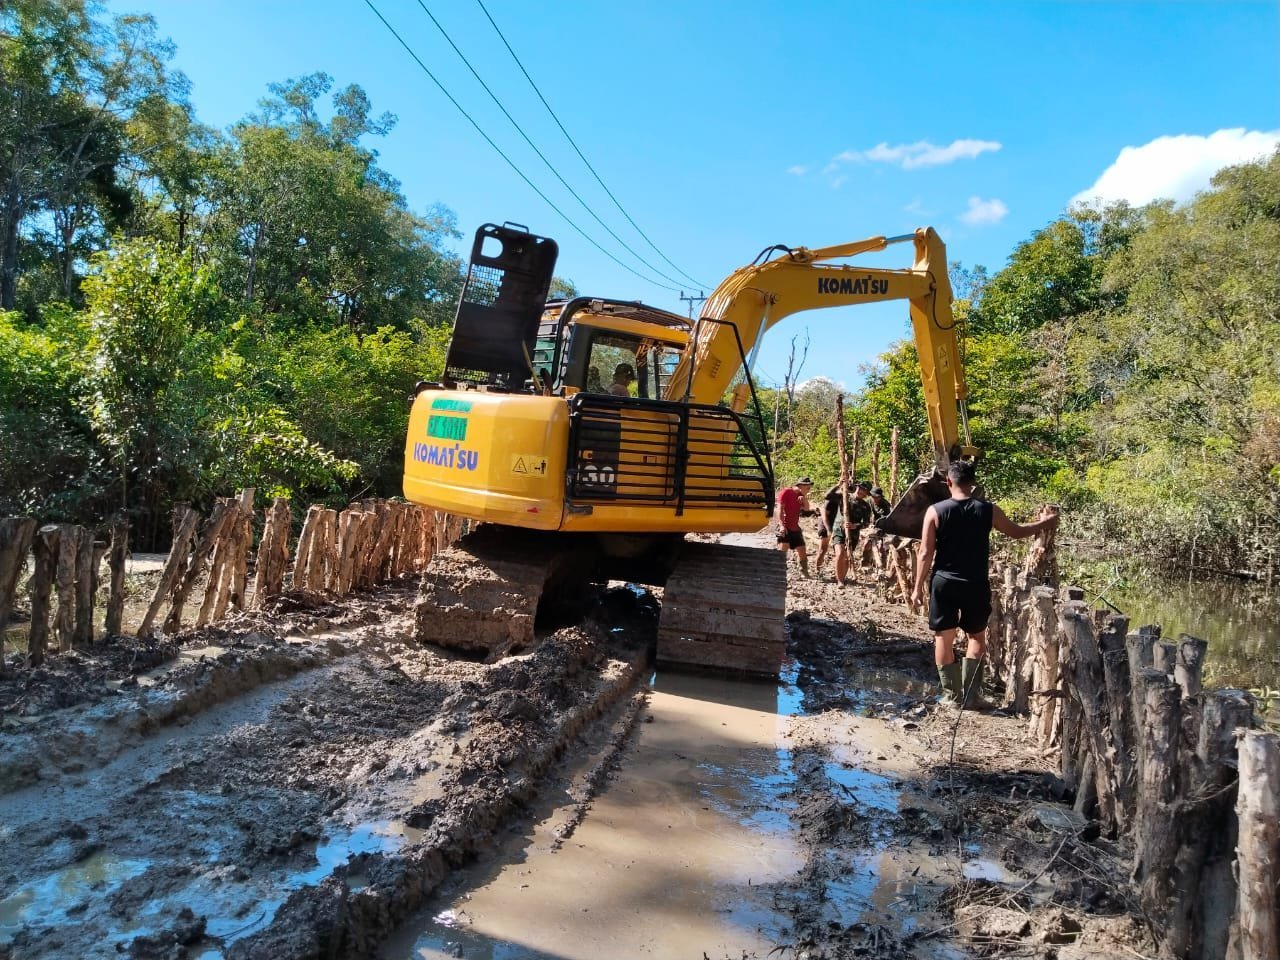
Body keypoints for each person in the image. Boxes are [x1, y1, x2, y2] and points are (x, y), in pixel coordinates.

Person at [910, 460, 1059, 709]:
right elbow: (1016, 532)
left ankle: (951, 697)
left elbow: (925, 553)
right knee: (976, 637)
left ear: (949, 482)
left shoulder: (935, 511)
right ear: (974, 484)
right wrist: (1045, 523)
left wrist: (916, 588)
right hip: (975, 583)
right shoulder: (989, 510)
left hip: (943, 582)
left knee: (943, 639)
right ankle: (971, 697)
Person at [831, 481, 873, 586]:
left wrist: (855, 526)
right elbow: (829, 497)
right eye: (861, 489)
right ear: (857, 487)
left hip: (853, 534)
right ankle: (839, 580)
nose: (861, 492)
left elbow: (866, 523)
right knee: (840, 553)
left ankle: (842, 577)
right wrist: (840, 485)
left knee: (846, 556)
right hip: (839, 529)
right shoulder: (844, 496)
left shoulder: (865, 506)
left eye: (864, 491)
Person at [776, 477, 814, 578]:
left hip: (795, 527)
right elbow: (779, 510)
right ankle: (778, 571)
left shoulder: (800, 496)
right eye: (808, 487)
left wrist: (804, 498)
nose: (809, 490)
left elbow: (806, 508)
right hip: (785, 526)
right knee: (783, 550)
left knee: (802, 550)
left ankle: (804, 571)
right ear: (801, 486)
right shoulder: (786, 492)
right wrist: (781, 525)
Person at [812, 481, 845, 573]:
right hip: (826, 524)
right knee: (823, 549)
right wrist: (828, 529)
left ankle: (837, 572)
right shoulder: (833, 497)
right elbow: (824, 515)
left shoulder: (843, 498)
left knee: (837, 549)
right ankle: (817, 570)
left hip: (836, 524)